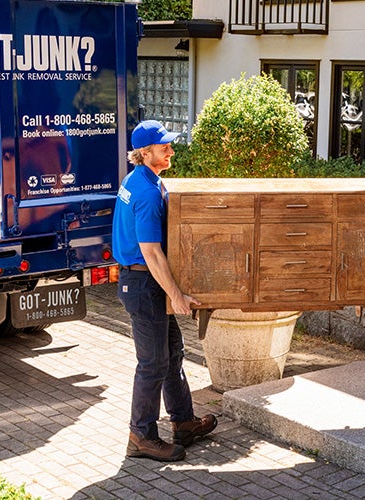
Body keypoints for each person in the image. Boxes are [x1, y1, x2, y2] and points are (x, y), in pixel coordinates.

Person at [113, 120, 218, 462]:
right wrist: (176, 293)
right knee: (153, 362)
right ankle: (141, 436)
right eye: (164, 147)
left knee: (173, 353)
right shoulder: (144, 192)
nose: (171, 150)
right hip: (143, 284)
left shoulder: (143, 180)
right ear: (145, 153)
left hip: (145, 281)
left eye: (170, 145)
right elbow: (151, 252)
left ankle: (184, 423)